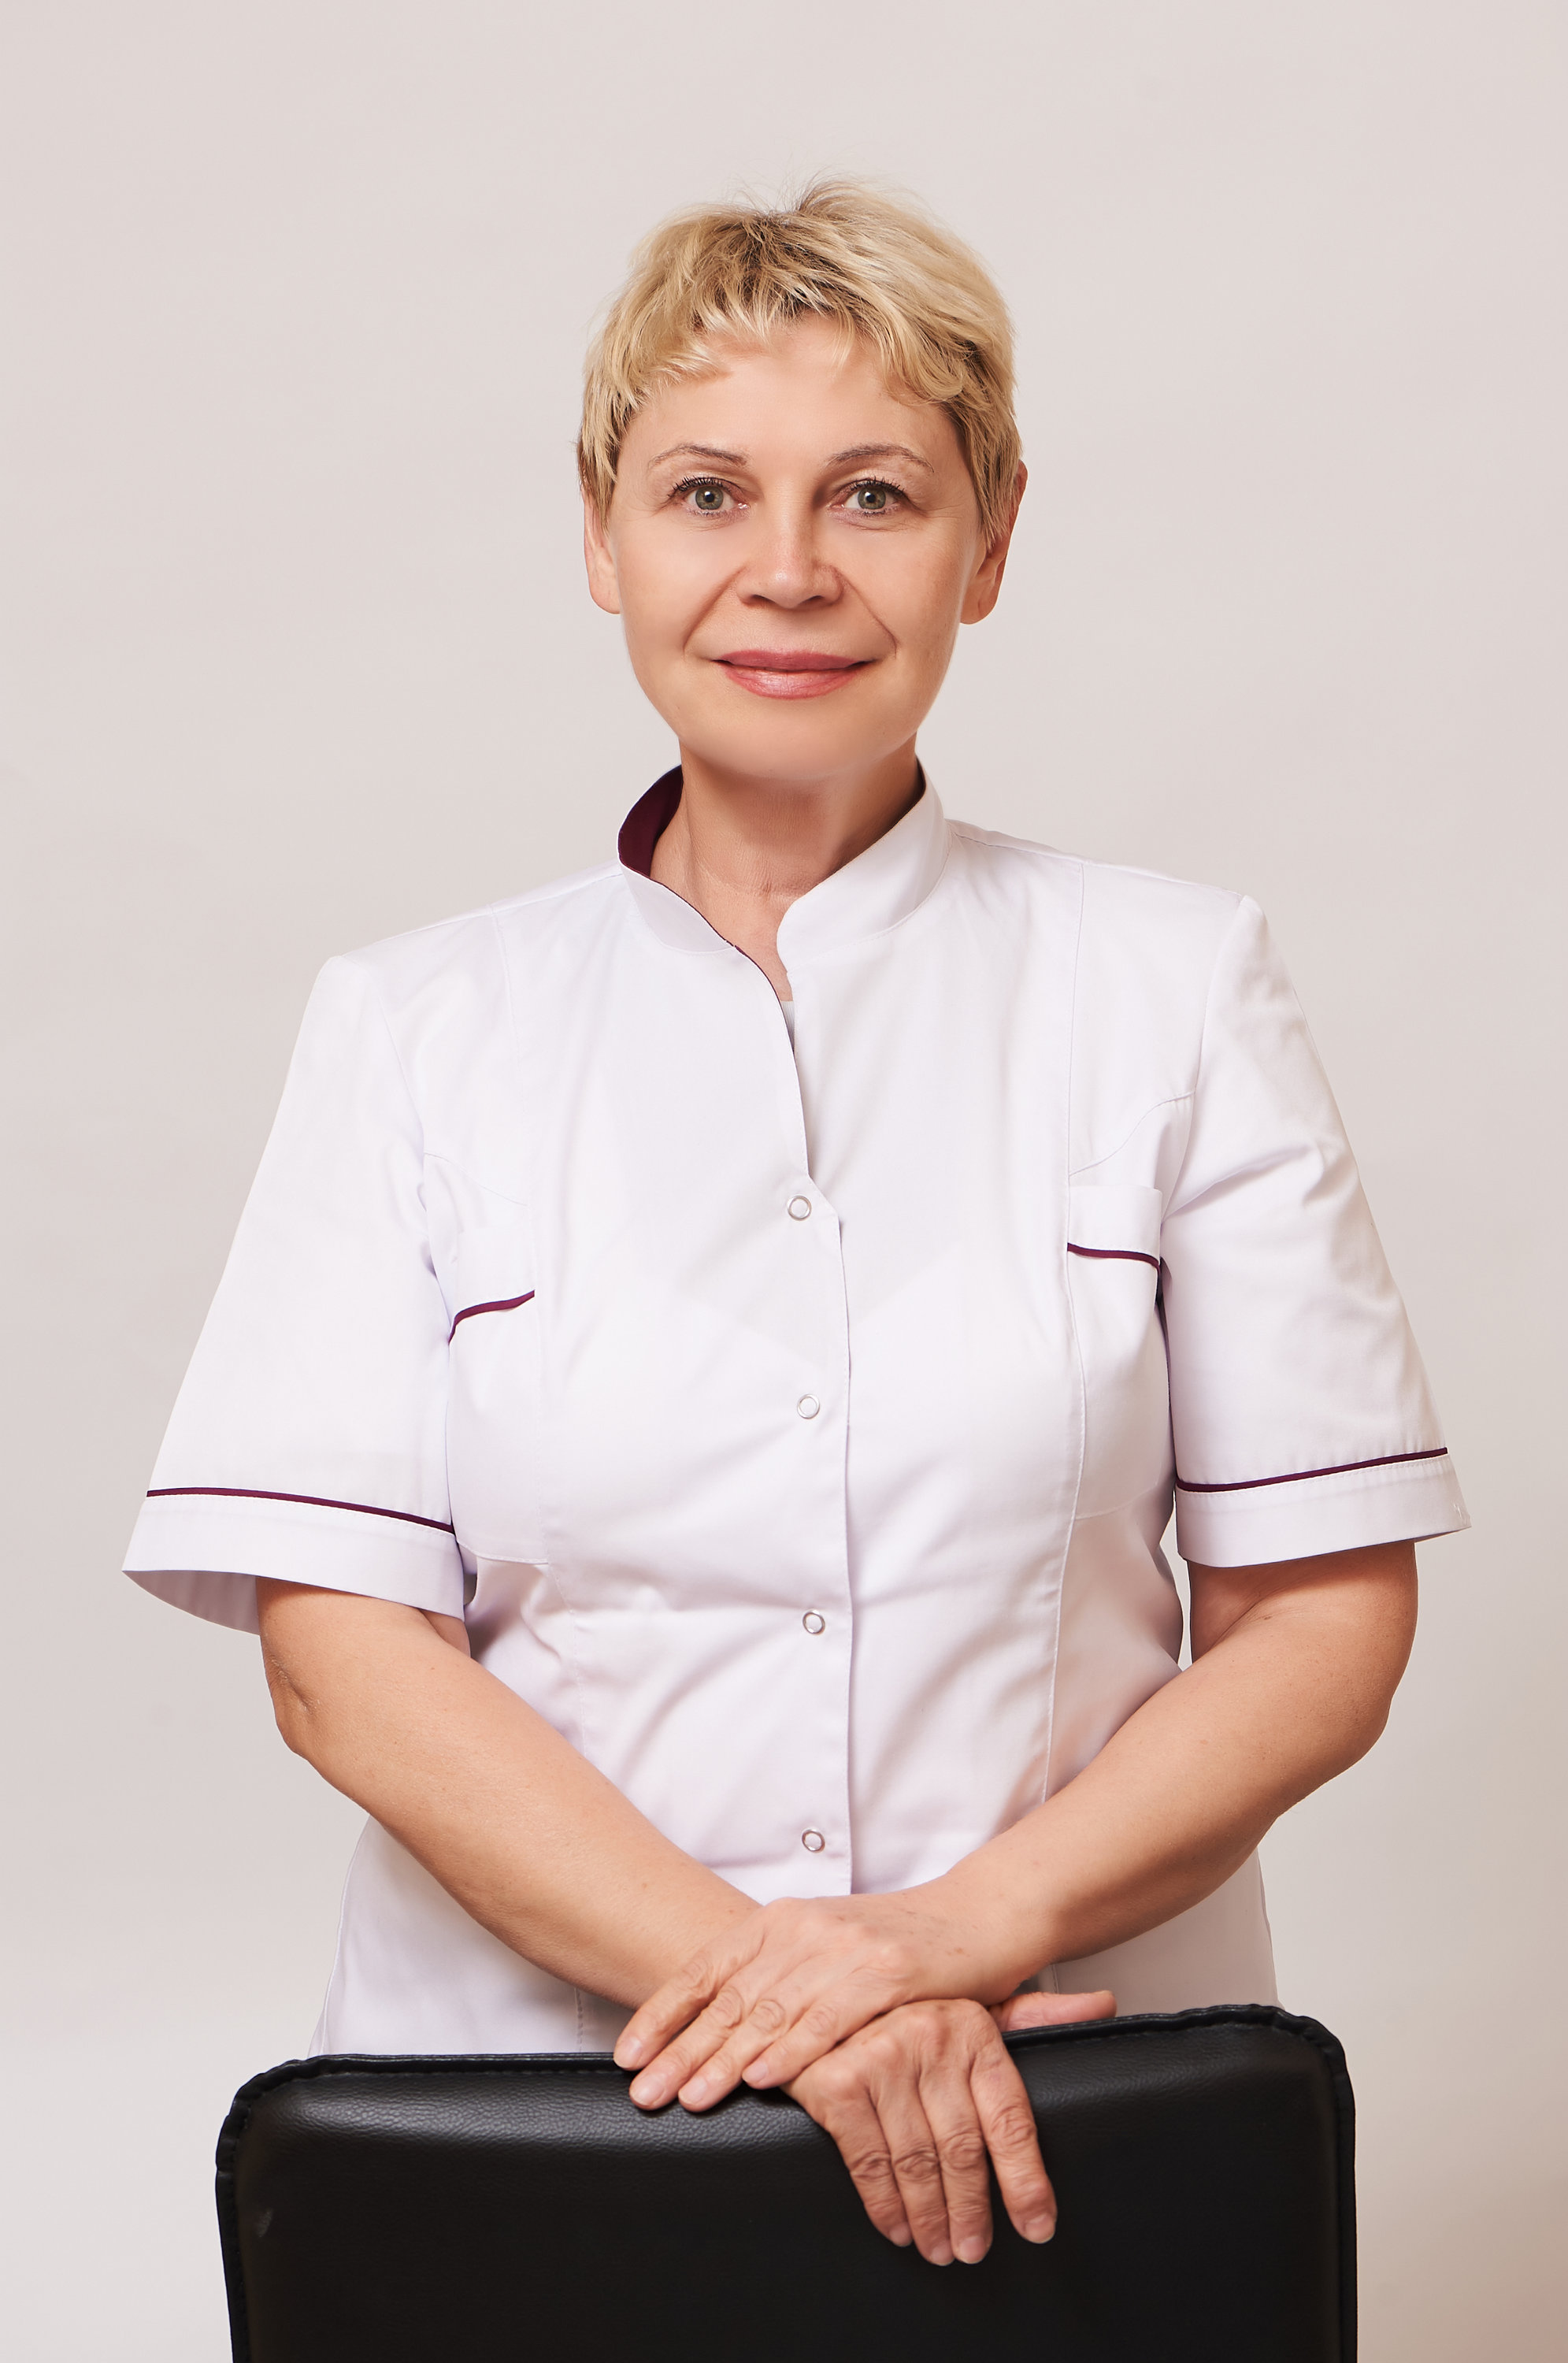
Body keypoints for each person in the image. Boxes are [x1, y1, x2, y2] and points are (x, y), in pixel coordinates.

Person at [124, 181, 1467, 2272]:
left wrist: (949, 1938)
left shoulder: (1174, 989)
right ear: (602, 538)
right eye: (704, 493)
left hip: (1069, 2105)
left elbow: (1321, 1621)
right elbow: (345, 1660)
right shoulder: (415, 1028)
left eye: (874, 495)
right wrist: (803, 1998)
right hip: (536, 2125)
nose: (788, 570)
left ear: (987, 546)